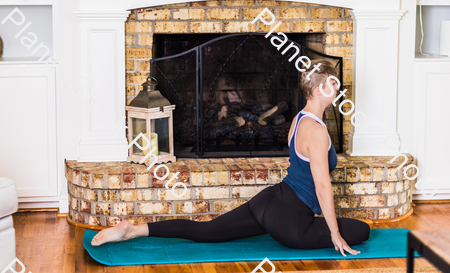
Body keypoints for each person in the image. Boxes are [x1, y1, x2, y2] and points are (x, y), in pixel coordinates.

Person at [91, 59, 370, 257]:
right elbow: (322, 187)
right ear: (320, 89)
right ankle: (132, 231)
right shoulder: (317, 132)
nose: (338, 89)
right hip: (290, 222)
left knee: (208, 232)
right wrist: (334, 233)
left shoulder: (300, 119)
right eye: (334, 84)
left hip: (269, 201)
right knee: (362, 231)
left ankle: (133, 230)